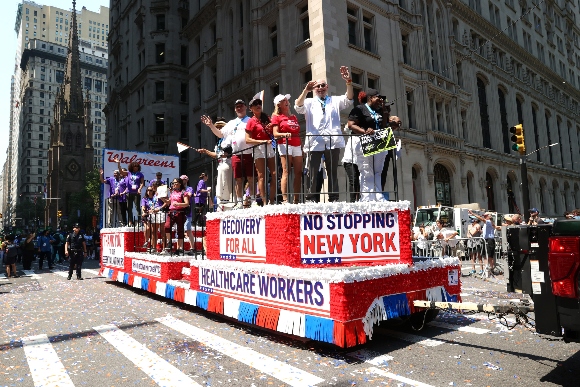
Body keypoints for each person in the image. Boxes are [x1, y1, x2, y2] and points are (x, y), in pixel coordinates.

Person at [295, 66, 354, 202]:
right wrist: (305, 91)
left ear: (327, 87)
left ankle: (333, 198)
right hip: (315, 141)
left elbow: (349, 99)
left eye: (323, 85)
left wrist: (348, 82)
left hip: (332, 141)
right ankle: (310, 198)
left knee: (332, 171)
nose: (320, 88)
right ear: (314, 89)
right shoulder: (309, 102)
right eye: (317, 86)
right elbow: (298, 106)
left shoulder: (334, 101)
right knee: (312, 171)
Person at [202, 100, 255, 208]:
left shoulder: (251, 120)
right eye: (237, 107)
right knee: (238, 179)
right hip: (236, 154)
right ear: (235, 109)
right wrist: (211, 125)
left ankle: (253, 200)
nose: (239, 108)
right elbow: (220, 134)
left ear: (245, 107)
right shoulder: (231, 123)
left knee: (251, 178)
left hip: (249, 153)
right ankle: (239, 202)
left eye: (241, 106)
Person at [347, 88, 388, 202]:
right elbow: (351, 125)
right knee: (366, 171)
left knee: (378, 171)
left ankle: (378, 195)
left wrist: (384, 110)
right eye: (378, 97)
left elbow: (384, 126)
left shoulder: (379, 110)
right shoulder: (360, 109)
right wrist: (365, 131)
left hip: (379, 142)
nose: (380, 99)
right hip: (364, 143)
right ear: (371, 98)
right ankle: (367, 197)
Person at [272, 94, 303, 204]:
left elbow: (297, 131)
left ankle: (296, 199)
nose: (286, 101)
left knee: (299, 171)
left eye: (286, 100)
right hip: (285, 144)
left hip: (297, 144)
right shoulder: (276, 116)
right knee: (286, 171)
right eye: (283, 100)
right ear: (278, 105)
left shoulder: (293, 117)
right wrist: (285, 134)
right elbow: (275, 134)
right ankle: (285, 199)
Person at [245, 97, 277, 205]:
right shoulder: (251, 121)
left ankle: (272, 201)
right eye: (255, 104)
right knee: (261, 175)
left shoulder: (266, 117)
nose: (258, 105)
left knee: (274, 174)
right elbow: (247, 139)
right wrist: (261, 141)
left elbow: (274, 132)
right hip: (258, 148)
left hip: (268, 146)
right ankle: (264, 202)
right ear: (251, 108)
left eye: (259, 103)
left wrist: (271, 127)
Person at [198, 118, 232, 209]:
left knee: (227, 185)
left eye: (221, 127)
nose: (219, 129)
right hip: (220, 166)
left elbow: (229, 152)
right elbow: (216, 154)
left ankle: (228, 203)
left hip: (229, 164)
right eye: (217, 127)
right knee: (220, 185)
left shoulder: (228, 139)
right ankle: (221, 204)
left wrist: (225, 154)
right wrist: (205, 151)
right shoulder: (218, 142)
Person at [342, 92, 367, 202]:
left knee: (362, 180)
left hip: (363, 155)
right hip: (351, 156)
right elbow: (347, 127)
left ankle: (361, 201)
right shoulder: (355, 115)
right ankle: (353, 203)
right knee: (354, 179)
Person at [161, 178, 190, 254]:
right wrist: (161, 198)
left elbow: (187, 203)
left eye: (175, 183)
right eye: (173, 183)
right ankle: (170, 241)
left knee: (180, 230)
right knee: (167, 226)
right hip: (171, 212)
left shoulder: (183, 192)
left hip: (180, 212)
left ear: (180, 183)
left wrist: (178, 204)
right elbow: (168, 202)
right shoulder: (173, 192)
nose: (173, 184)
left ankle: (179, 248)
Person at [469, 211, 499, 275]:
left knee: (489, 256)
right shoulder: (487, 223)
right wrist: (480, 231)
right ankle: (489, 269)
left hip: (489, 240)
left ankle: (490, 269)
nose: (484, 217)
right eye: (484, 216)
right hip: (486, 240)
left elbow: (481, 219)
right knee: (486, 255)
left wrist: (473, 214)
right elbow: (485, 231)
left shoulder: (488, 222)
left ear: (489, 216)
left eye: (485, 216)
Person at [118, 160, 145, 226]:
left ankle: (139, 221)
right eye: (134, 166)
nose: (135, 168)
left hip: (136, 193)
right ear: (131, 167)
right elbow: (121, 172)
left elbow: (142, 183)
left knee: (137, 207)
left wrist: (139, 189)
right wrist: (118, 163)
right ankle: (130, 222)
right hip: (129, 192)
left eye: (137, 166)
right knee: (129, 208)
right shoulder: (129, 173)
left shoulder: (140, 174)